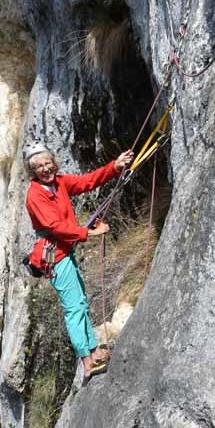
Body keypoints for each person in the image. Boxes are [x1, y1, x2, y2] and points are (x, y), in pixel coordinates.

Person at [24, 142, 134, 382]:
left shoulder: (59, 183)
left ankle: (93, 349)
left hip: (63, 251)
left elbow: (87, 181)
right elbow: (55, 226)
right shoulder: (35, 195)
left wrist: (114, 167)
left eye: (47, 163)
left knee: (80, 302)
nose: (45, 169)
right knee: (74, 308)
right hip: (54, 255)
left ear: (54, 163)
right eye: (39, 167)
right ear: (32, 172)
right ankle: (86, 361)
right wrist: (89, 233)